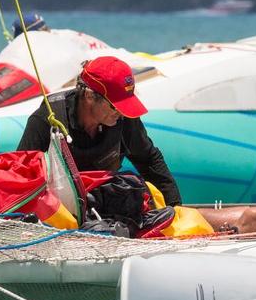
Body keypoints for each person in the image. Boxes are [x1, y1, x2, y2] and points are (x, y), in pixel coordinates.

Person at [17, 56, 182, 207]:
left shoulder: (122, 117)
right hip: (62, 213)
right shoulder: (47, 119)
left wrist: (175, 209)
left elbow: (149, 160)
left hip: (104, 207)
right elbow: (20, 178)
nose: (120, 112)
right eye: (115, 105)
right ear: (89, 96)